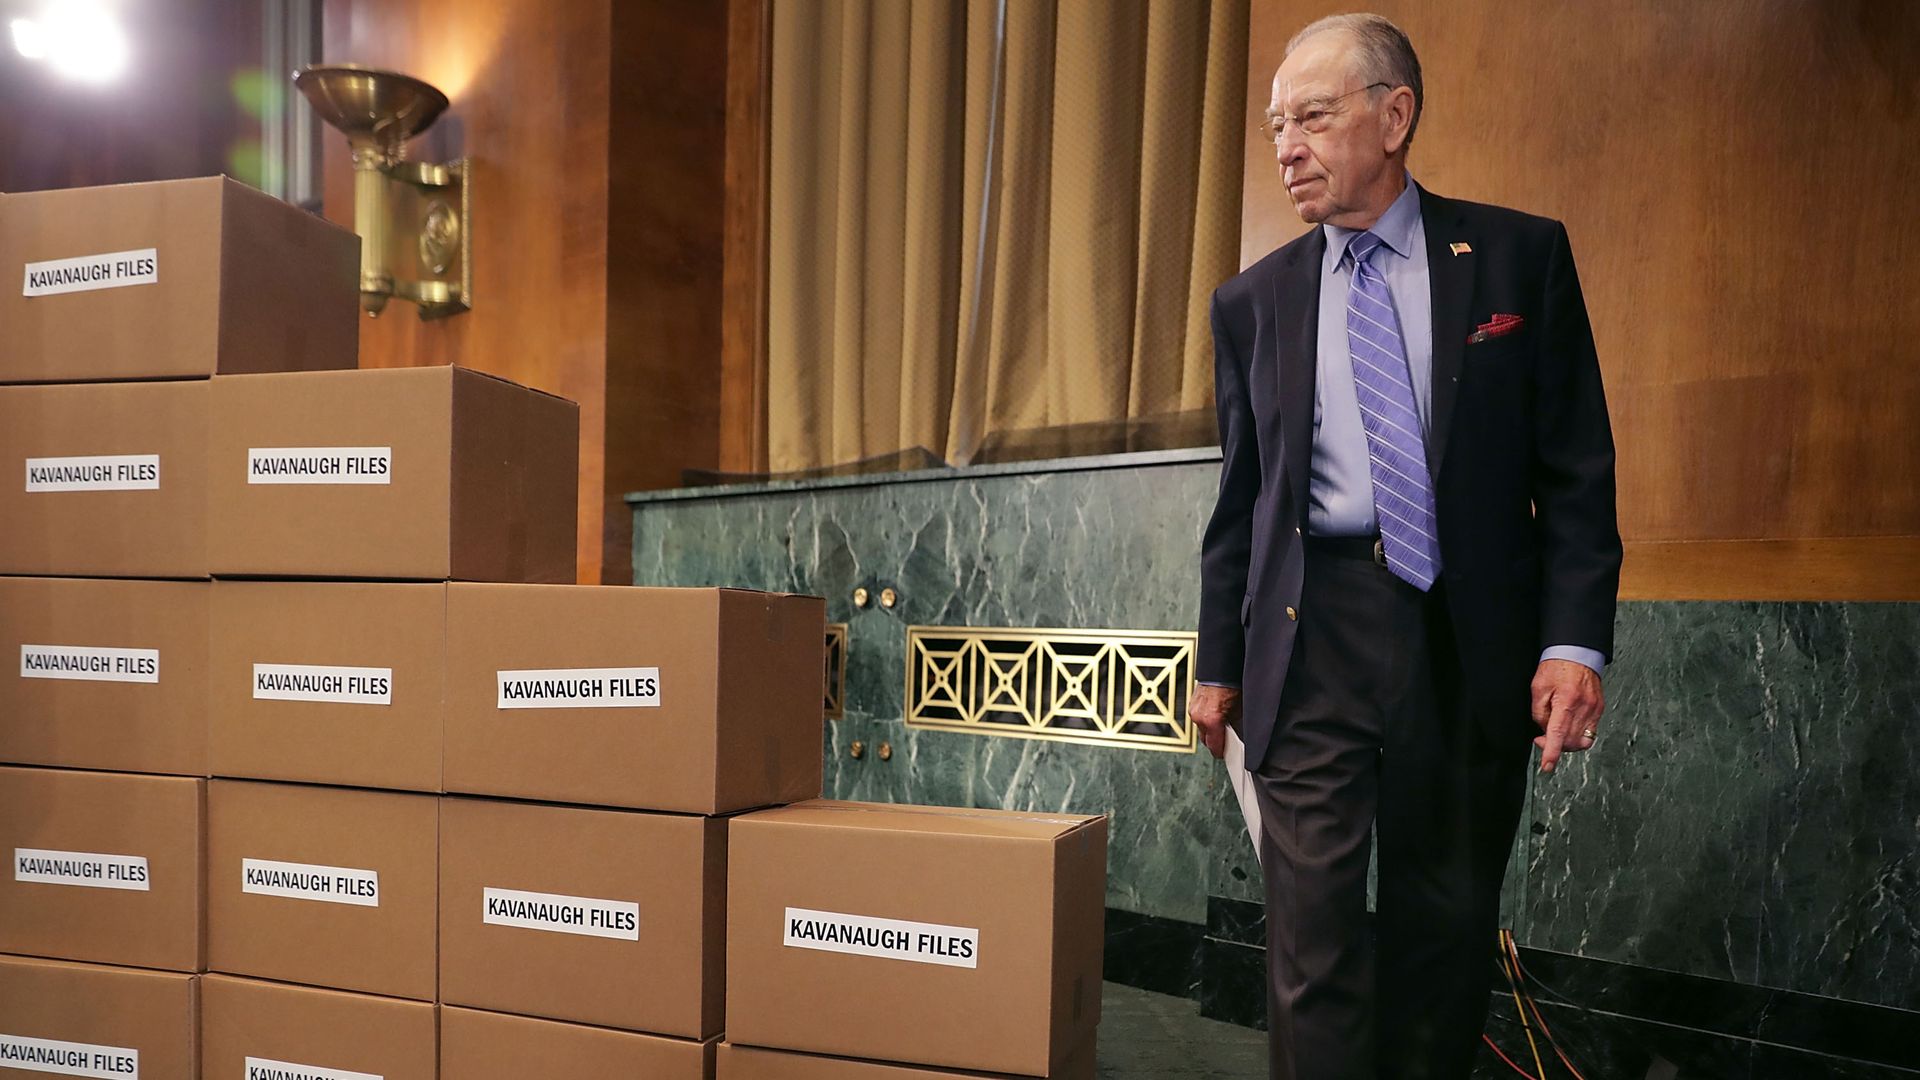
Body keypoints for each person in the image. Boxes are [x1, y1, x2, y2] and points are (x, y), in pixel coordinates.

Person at [1188, 13, 1621, 1079]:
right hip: (1311, 633)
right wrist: (1215, 659)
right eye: (1275, 124)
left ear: (1395, 117)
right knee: (1311, 944)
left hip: (1464, 634)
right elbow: (1241, 501)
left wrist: (1575, 644)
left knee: (1445, 934)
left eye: (1313, 118)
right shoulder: (1253, 304)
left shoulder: (1520, 257)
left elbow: (1574, 471)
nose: (1285, 145)